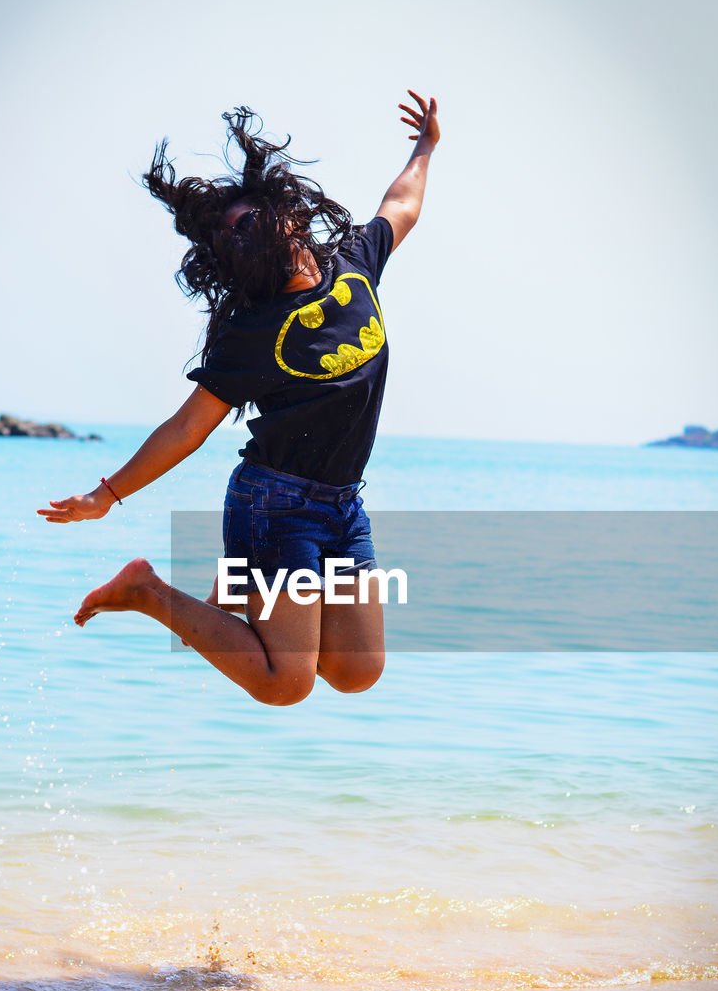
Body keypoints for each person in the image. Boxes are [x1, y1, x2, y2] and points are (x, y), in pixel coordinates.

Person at [37, 91, 440, 706]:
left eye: (246, 220)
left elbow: (401, 204)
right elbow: (186, 428)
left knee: (357, 671)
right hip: (273, 506)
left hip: (342, 503)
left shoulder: (356, 264)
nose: (241, 235)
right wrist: (106, 494)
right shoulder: (252, 335)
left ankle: (234, 594)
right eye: (230, 237)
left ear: (286, 212)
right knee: (286, 684)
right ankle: (148, 590)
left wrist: (426, 145)